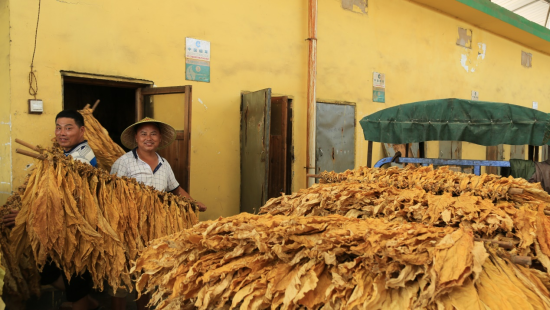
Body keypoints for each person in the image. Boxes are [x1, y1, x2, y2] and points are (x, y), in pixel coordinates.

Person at [3, 110, 100, 310]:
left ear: (82, 131)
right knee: (51, 272)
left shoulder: (78, 161)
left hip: (76, 234)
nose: (61, 132)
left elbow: (68, 206)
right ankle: (87, 303)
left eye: (68, 128)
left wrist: (26, 217)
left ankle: (83, 303)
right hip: (61, 233)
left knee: (76, 282)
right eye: (58, 127)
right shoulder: (67, 154)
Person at [109, 117, 206, 310]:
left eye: (153, 133)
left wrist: (193, 203)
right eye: (143, 134)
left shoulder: (164, 163)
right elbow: (112, 194)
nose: (148, 138)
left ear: (160, 138)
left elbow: (176, 189)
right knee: (121, 274)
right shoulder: (124, 162)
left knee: (146, 273)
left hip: (154, 229)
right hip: (128, 227)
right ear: (136, 138)